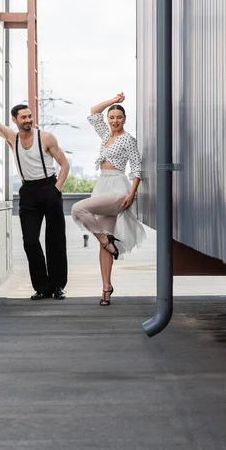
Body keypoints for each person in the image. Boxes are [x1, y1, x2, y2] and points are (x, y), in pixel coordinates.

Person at [0, 67, 69, 300]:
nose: (28, 120)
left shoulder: (46, 137)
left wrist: (56, 188)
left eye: (30, 117)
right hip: (28, 191)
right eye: (24, 118)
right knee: (30, 240)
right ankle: (42, 286)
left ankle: (57, 285)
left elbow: (64, 165)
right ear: (15, 120)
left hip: (49, 187)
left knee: (55, 239)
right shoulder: (12, 137)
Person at [71, 93, 146, 306]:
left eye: (118, 117)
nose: (114, 120)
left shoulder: (128, 139)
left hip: (118, 188)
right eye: (111, 117)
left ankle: (107, 241)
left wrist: (131, 194)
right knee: (105, 239)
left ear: (124, 119)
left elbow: (137, 168)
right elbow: (94, 112)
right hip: (101, 186)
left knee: (78, 208)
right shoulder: (105, 136)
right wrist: (113, 99)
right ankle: (106, 287)